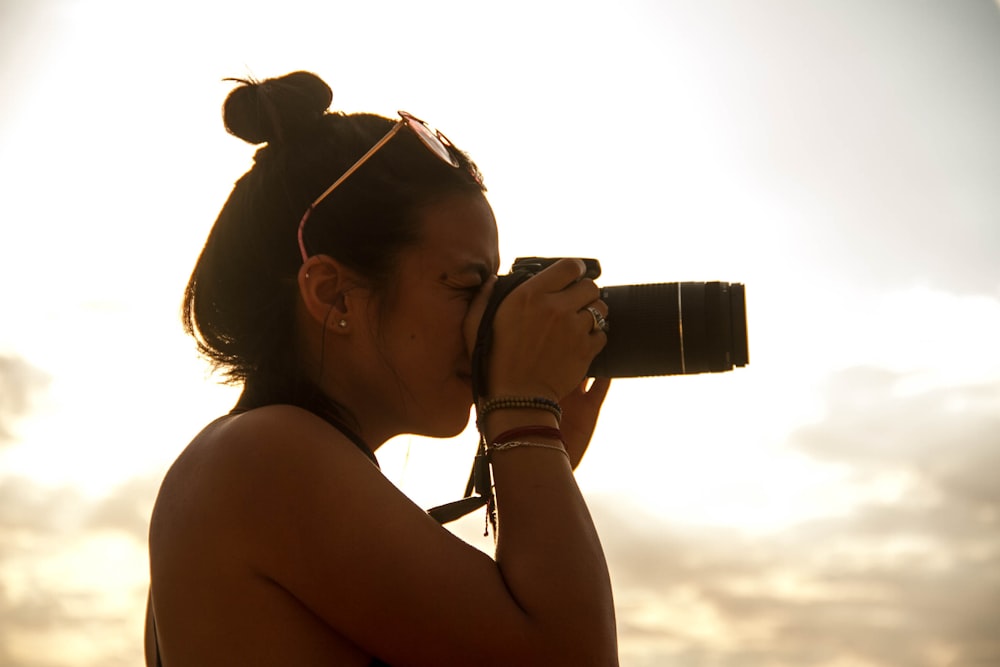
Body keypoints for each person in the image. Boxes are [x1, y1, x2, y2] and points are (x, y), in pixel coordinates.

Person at [145, 70, 617, 667]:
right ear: (334, 294)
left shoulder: (247, 460)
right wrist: (524, 420)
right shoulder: (263, 456)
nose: (487, 322)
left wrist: (530, 470)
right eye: (467, 285)